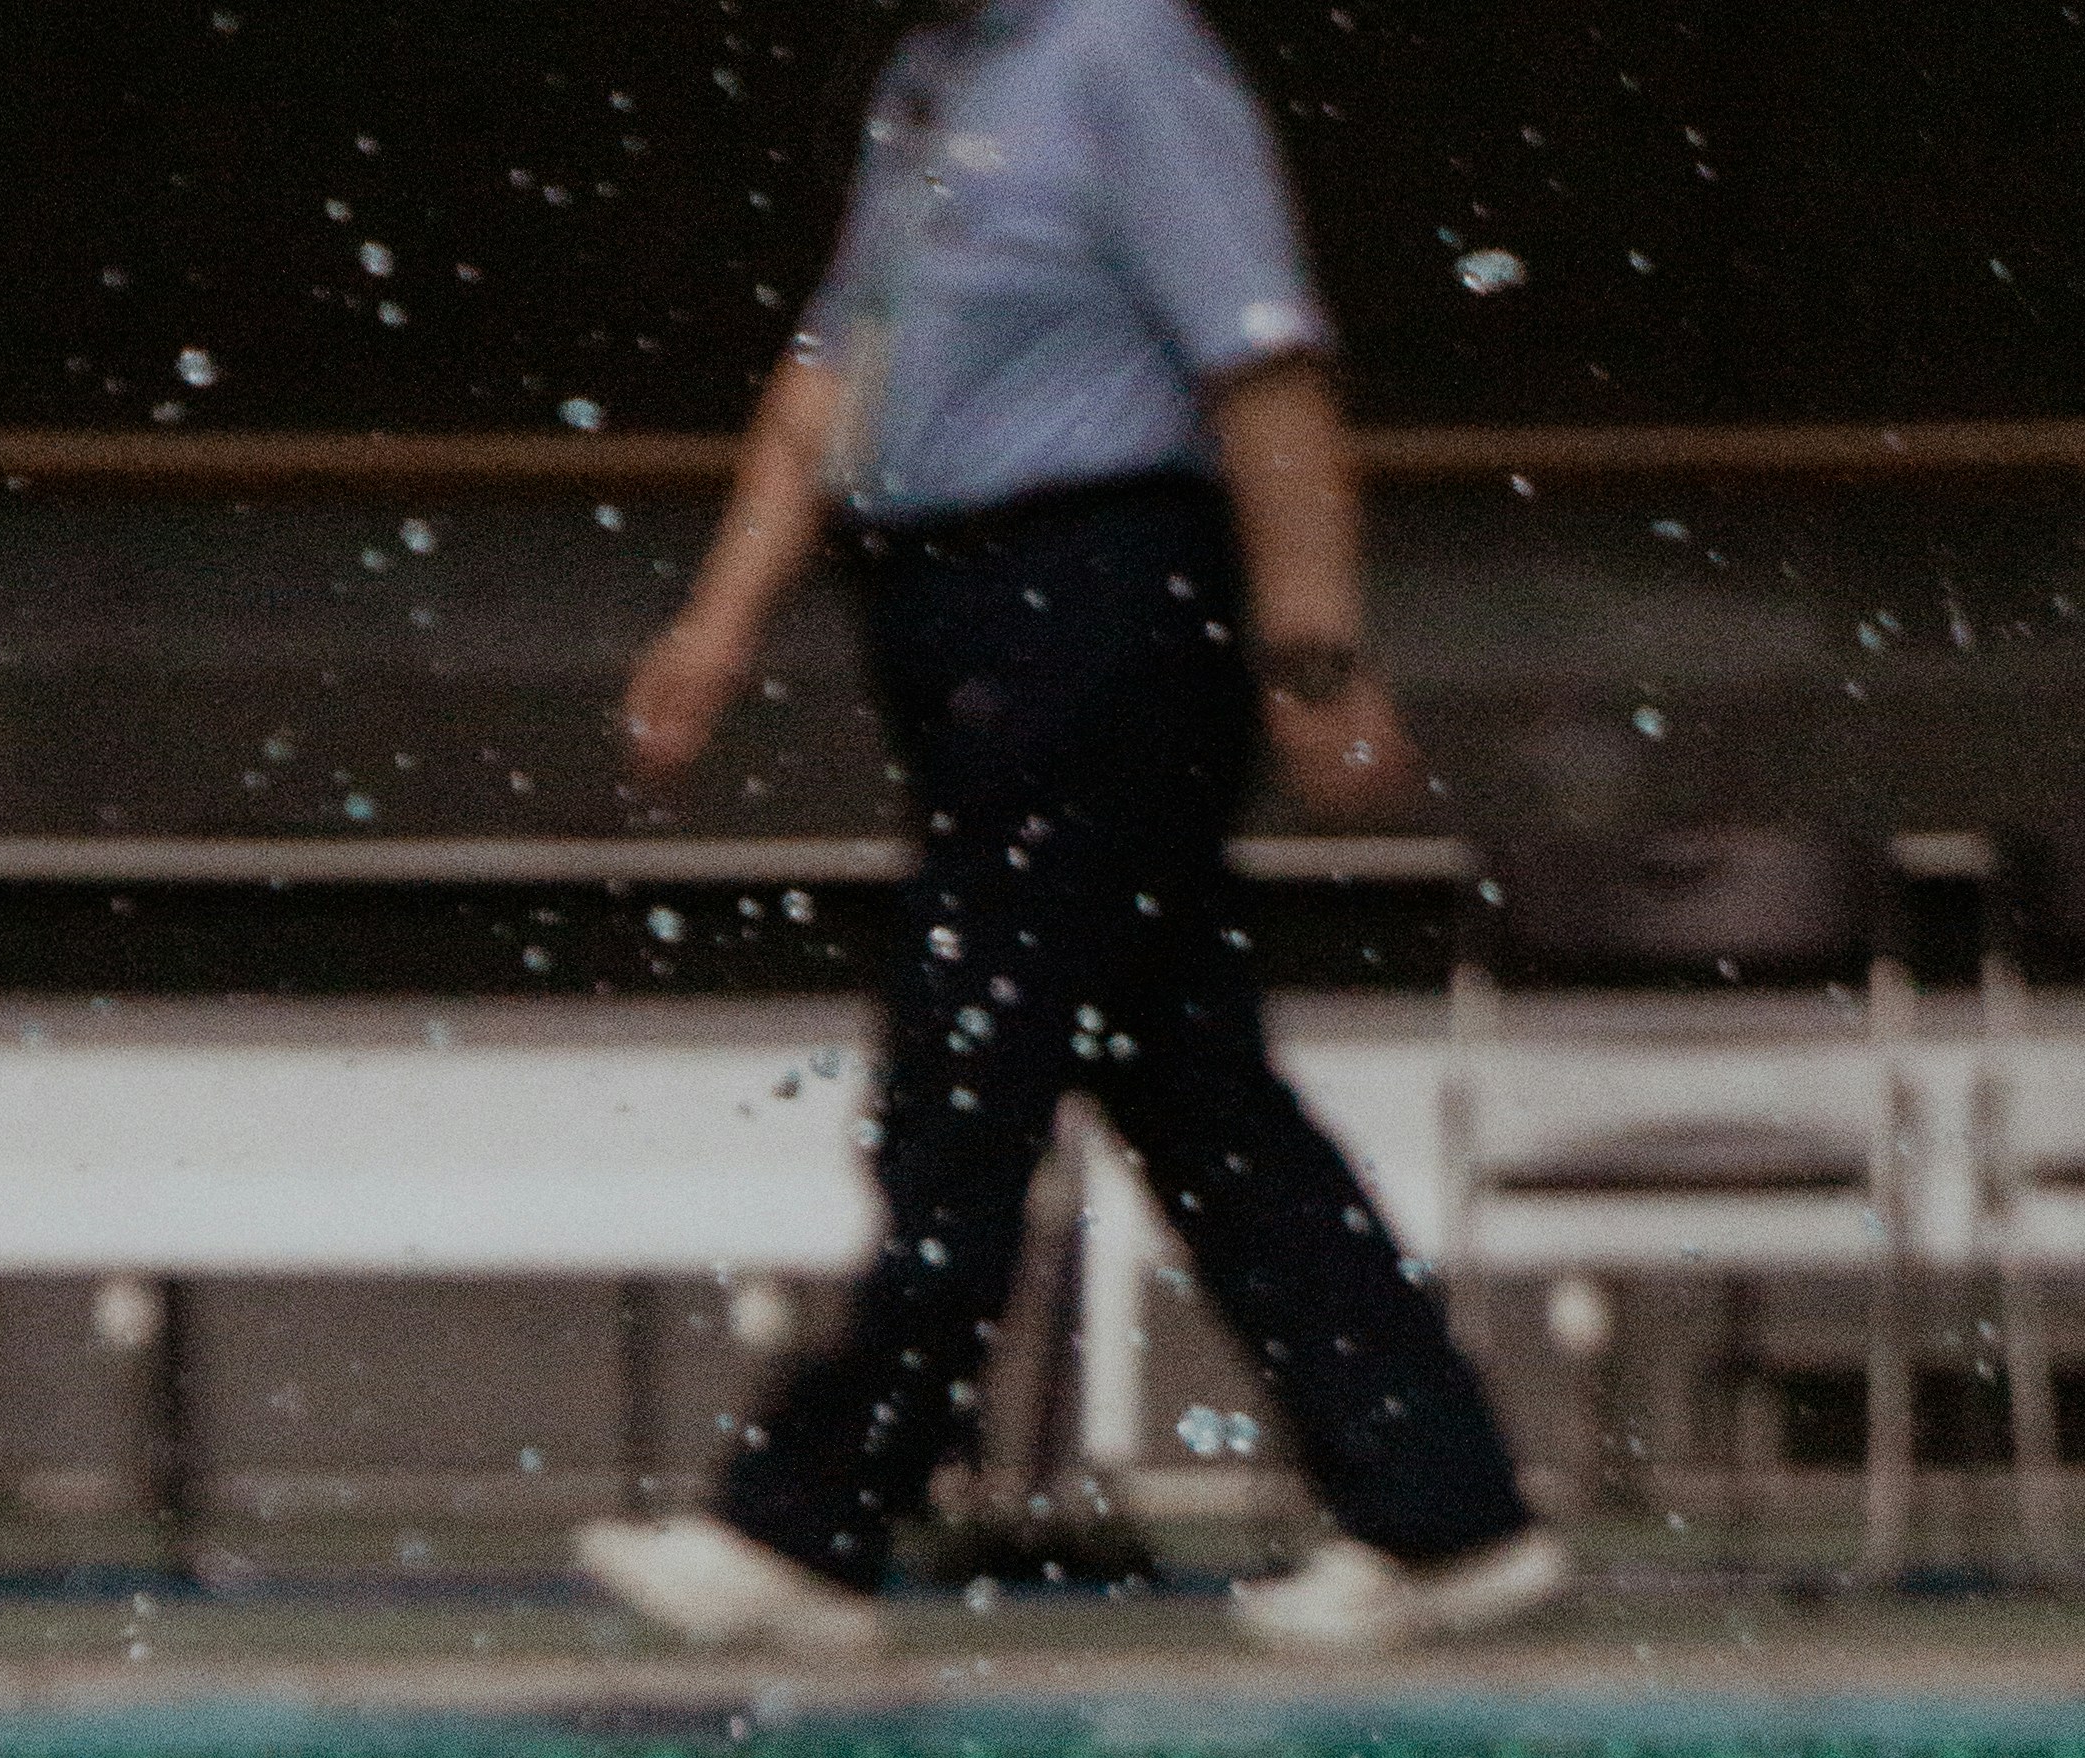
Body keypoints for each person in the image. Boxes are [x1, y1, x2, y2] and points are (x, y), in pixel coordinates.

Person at [578, 0, 1559, 1661]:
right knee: (1191, 1079)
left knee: (970, 1055)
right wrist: (720, 622)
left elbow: (1263, 367)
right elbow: (832, 372)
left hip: (1094, 601)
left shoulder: (1123, 55)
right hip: (958, 618)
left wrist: (1313, 652)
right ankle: (1442, 1504)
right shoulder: (935, 75)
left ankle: (812, 1512)